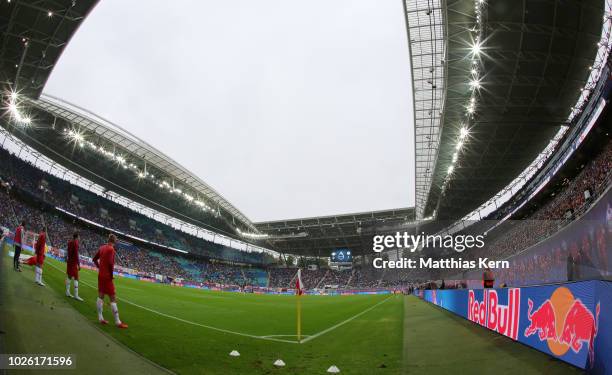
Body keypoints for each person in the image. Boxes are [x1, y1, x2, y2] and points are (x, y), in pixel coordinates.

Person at [93, 234, 128, 328]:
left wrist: (99, 268)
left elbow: (94, 259)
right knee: (113, 298)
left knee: (101, 295)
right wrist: (111, 276)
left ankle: (100, 318)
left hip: (100, 275)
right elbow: (110, 264)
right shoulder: (111, 249)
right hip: (107, 277)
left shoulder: (102, 247)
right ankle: (118, 322)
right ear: (114, 241)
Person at [65, 232, 83, 301]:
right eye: (79, 237)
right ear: (77, 237)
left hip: (69, 261)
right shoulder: (75, 243)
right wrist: (78, 264)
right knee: (76, 278)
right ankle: (76, 295)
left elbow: (68, 251)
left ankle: (67, 292)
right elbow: (76, 254)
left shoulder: (70, 242)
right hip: (73, 263)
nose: (79, 238)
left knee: (69, 276)